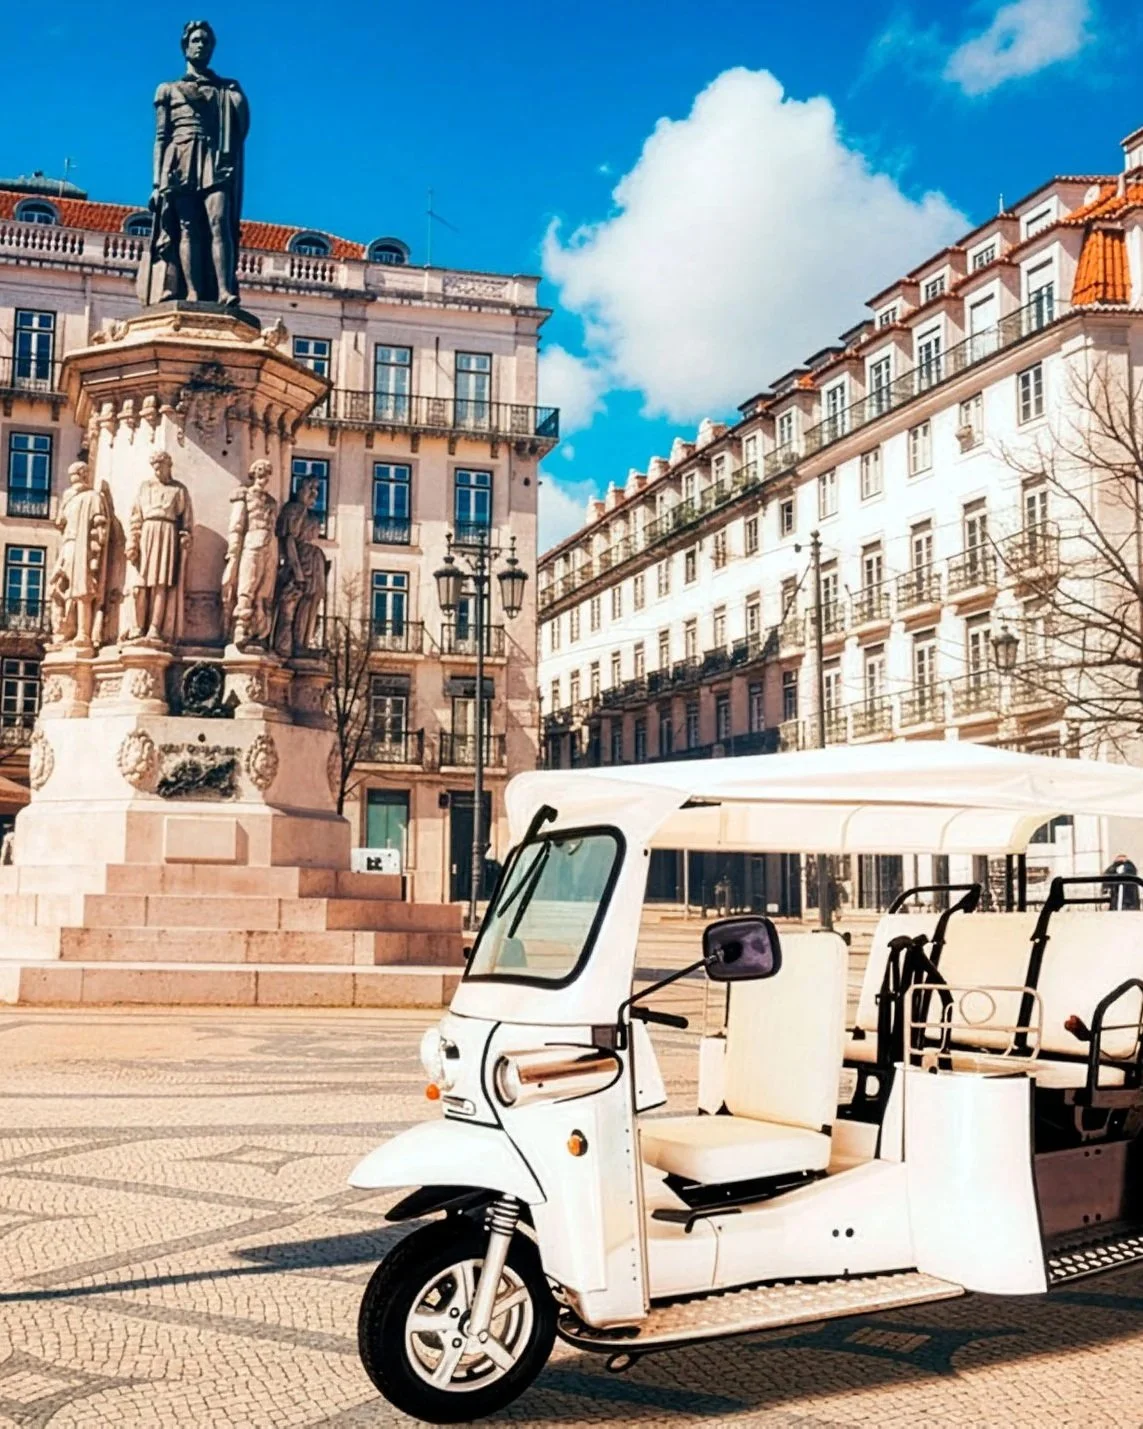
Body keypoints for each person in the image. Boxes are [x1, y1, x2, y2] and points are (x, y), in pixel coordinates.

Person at [140, 20, 249, 307]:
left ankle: (224, 290)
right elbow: (160, 138)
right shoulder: (168, 89)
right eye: (196, 40)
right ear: (185, 46)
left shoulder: (225, 89)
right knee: (186, 228)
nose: (201, 45)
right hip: (180, 161)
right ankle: (192, 291)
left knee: (219, 222)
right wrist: (155, 183)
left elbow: (241, 128)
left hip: (214, 161)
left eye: (206, 42)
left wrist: (236, 99)